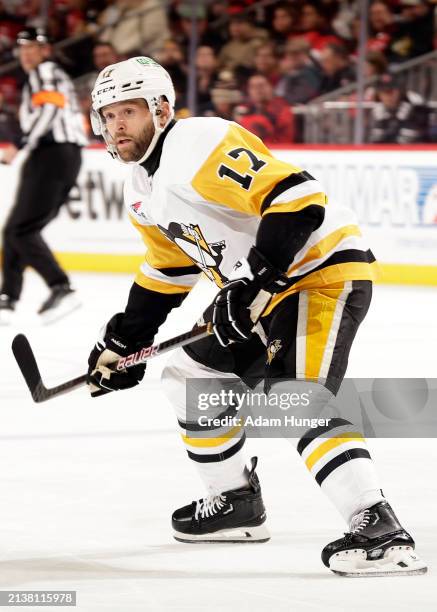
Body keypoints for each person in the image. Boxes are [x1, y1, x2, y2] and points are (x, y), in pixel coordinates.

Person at [86, 56, 427, 577]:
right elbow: (169, 267)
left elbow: (298, 197)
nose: (116, 126)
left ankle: (380, 528)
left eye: (127, 111)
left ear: (160, 108)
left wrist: (256, 280)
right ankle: (235, 504)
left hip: (316, 274)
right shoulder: (142, 187)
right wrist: (123, 341)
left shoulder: (198, 142)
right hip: (262, 294)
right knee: (191, 376)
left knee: (295, 397)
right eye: (107, 116)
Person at [0, 28, 87, 324]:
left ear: (46, 51)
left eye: (33, 47)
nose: (26, 53)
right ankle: (8, 299)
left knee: (21, 229)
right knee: (15, 228)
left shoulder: (44, 71)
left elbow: (49, 109)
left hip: (52, 153)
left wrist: (20, 144)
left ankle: (60, 286)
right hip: (56, 155)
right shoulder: (47, 74)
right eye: (22, 47)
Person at [368, 73, 429, 143]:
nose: (387, 96)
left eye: (390, 91)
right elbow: (376, 142)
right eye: (383, 92)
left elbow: (408, 141)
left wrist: (399, 120)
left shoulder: (415, 104)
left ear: (400, 91)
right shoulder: (378, 109)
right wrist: (381, 122)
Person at [235, 74, 295, 143]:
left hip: (279, 150)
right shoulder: (244, 109)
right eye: (253, 87)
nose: (258, 90)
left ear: (271, 87)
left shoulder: (282, 108)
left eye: (261, 86)